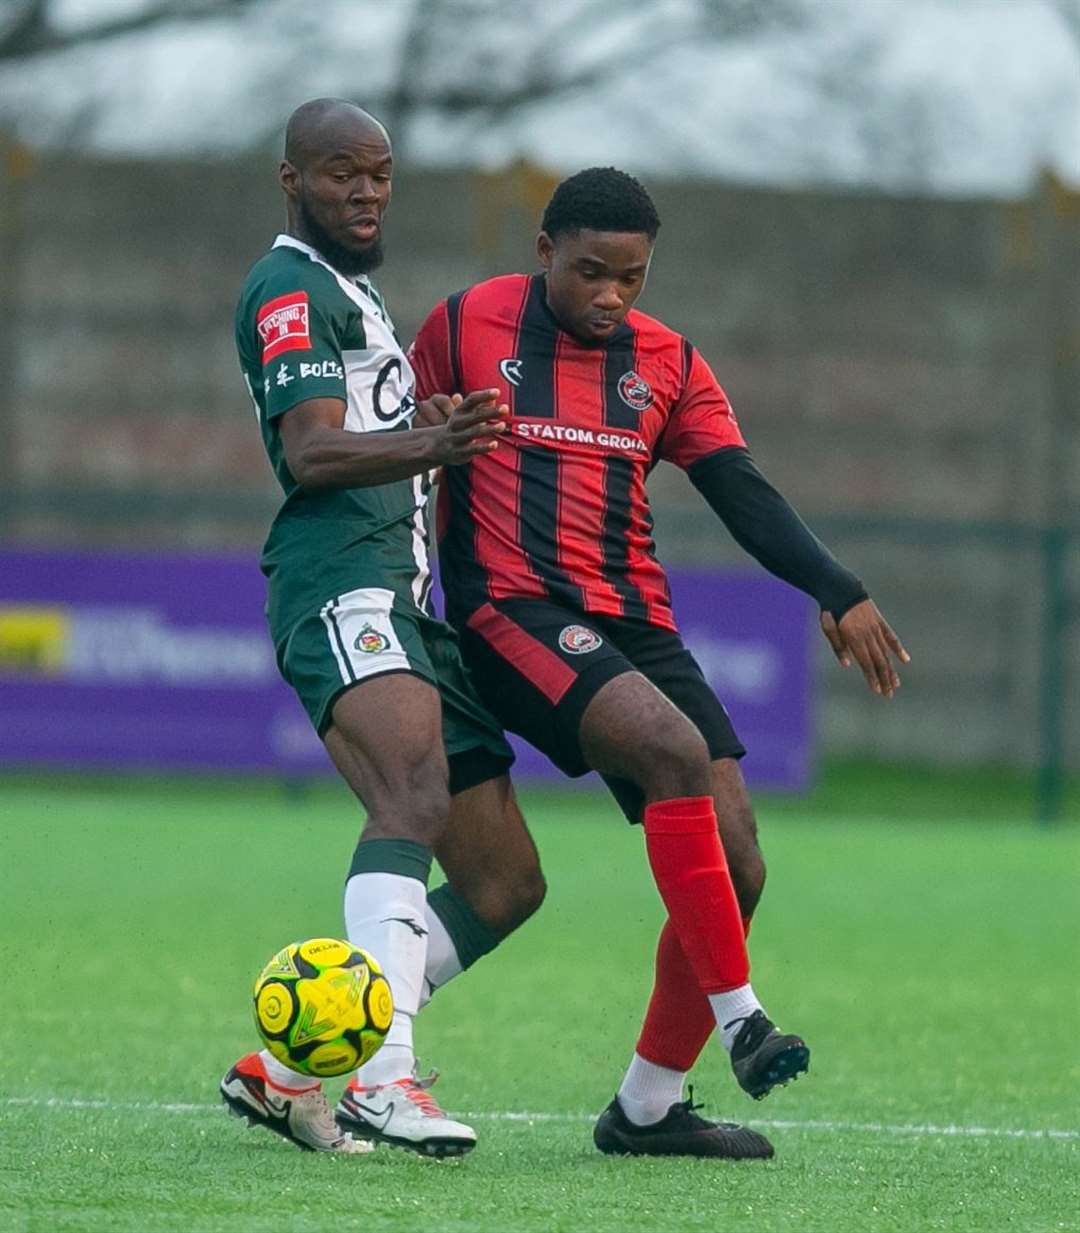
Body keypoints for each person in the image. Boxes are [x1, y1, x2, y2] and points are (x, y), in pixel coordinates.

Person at [409, 166, 910, 1159]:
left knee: (737, 863)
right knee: (673, 752)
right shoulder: (464, 326)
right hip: (507, 610)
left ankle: (645, 1107)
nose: (609, 296)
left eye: (629, 278)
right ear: (545, 251)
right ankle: (746, 1023)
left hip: (634, 623)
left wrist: (836, 587)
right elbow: (403, 448)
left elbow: (741, 490)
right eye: (590, 271)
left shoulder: (669, 360)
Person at [219, 98, 549, 1157]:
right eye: (340, 174)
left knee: (504, 883)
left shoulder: (355, 295)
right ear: (291, 181)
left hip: (407, 602)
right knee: (409, 796)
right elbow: (312, 454)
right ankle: (384, 1081)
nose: (364, 193)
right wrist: (431, 442)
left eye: (380, 174)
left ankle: (289, 1071)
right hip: (342, 582)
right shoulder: (287, 288)